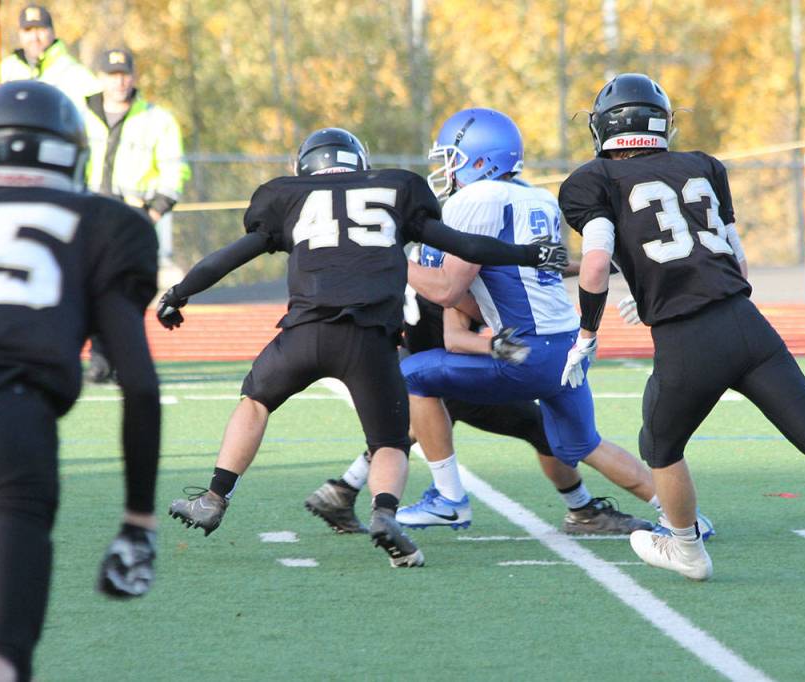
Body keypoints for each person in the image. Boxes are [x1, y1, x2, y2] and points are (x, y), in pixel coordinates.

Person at [559, 72, 805, 583]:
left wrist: (587, 337)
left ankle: (686, 548)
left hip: (687, 338)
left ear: (603, 128)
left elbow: (596, 267)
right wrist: (654, 291)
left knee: (660, 446)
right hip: (747, 323)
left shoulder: (589, 180)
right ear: (661, 124)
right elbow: (731, 261)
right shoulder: (703, 166)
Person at [157, 127, 567, 568]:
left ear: (304, 166)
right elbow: (464, 246)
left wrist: (178, 294)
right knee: (389, 441)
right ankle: (385, 514)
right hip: (369, 340)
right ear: (360, 164)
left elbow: (229, 256)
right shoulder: (395, 189)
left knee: (255, 402)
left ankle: (215, 497)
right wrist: (530, 254)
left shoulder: (287, 196)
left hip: (304, 332)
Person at [393, 108, 711, 540]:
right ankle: (684, 518)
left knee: (412, 375)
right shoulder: (535, 197)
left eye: (452, 157)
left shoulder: (477, 199)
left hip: (530, 353)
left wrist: (391, 259)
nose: (447, 168)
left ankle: (449, 499)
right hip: (567, 346)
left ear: (480, 160)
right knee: (584, 444)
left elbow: (448, 290)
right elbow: (525, 272)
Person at [307, 244, 686, 537]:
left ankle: (344, 490)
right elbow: (457, 327)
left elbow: (533, 265)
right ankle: (582, 509)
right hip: (443, 372)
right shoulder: (460, 266)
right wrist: (497, 346)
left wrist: (608, 264)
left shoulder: (424, 258)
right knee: (534, 428)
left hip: (420, 361)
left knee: (405, 429)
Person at [0, 81, 161, 682]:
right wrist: (138, 521)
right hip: (12, 430)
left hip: (14, 422)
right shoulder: (104, 224)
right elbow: (137, 383)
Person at [84, 47, 190, 383]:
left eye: (125, 73)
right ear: (100, 76)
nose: (119, 81)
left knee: (127, 290)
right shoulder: (77, 114)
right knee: (88, 287)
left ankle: (123, 358)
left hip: (133, 218)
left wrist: (152, 214)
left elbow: (175, 173)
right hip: (87, 214)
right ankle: (99, 357)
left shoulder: (158, 119)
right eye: (112, 74)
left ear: (134, 76)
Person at [0, 5, 101, 108]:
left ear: (52, 32)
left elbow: (99, 116)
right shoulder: (6, 70)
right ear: (20, 34)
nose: (35, 37)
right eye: (28, 30)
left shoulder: (75, 73)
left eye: (40, 30)